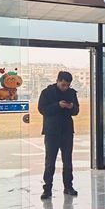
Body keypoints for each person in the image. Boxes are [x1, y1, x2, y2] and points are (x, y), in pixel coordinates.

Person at [38, 71, 79, 199]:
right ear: (57, 81)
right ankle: (47, 189)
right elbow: (42, 109)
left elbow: (76, 110)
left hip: (67, 131)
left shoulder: (71, 93)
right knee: (50, 162)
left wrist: (71, 107)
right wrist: (58, 105)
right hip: (52, 131)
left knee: (68, 161)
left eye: (67, 85)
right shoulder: (47, 92)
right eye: (63, 85)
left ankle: (68, 186)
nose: (65, 87)